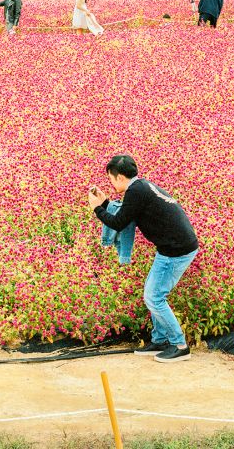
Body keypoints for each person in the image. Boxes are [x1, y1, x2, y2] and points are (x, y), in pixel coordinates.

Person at [89, 155, 198, 362]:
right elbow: (127, 212)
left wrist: (96, 207)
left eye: (111, 180)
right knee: (154, 293)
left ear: (120, 177)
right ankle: (160, 340)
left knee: (154, 297)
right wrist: (104, 202)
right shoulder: (140, 187)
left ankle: (180, 345)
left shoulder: (136, 192)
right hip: (172, 247)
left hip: (176, 250)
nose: (111, 184)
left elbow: (119, 222)